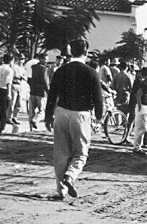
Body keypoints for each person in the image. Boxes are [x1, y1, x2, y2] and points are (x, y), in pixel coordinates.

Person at [44, 38, 104, 200]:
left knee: (61, 153)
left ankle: (60, 190)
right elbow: (98, 98)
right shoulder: (92, 72)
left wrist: (48, 116)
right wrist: (99, 118)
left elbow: (52, 95)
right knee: (80, 153)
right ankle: (70, 176)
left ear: (71, 51)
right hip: (81, 115)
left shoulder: (61, 70)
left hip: (61, 113)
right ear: (85, 52)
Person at [131, 66, 147, 155]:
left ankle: (138, 146)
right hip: (143, 106)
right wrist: (140, 107)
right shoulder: (143, 84)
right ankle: (137, 147)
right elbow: (138, 95)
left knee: (143, 128)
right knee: (140, 128)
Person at [27, 54, 49, 131]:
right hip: (41, 92)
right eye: (45, 59)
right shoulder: (44, 69)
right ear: (40, 59)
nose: (46, 61)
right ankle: (35, 120)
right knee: (41, 111)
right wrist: (48, 91)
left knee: (32, 110)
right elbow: (45, 81)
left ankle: (31, 127)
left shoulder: (33, 67)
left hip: (33, 90)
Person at [8, 53, 27, 125]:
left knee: (18, 103)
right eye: (20, 59)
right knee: (12, 102)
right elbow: (14, 75)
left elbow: (26, 77)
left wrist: (21, 76)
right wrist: (19, 76)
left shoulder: (23, 68)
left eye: (23, 59)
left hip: (20, 85)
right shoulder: (14, 67)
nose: (21, 61)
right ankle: (9, 117)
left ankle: (15, 117)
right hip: (14, 84)